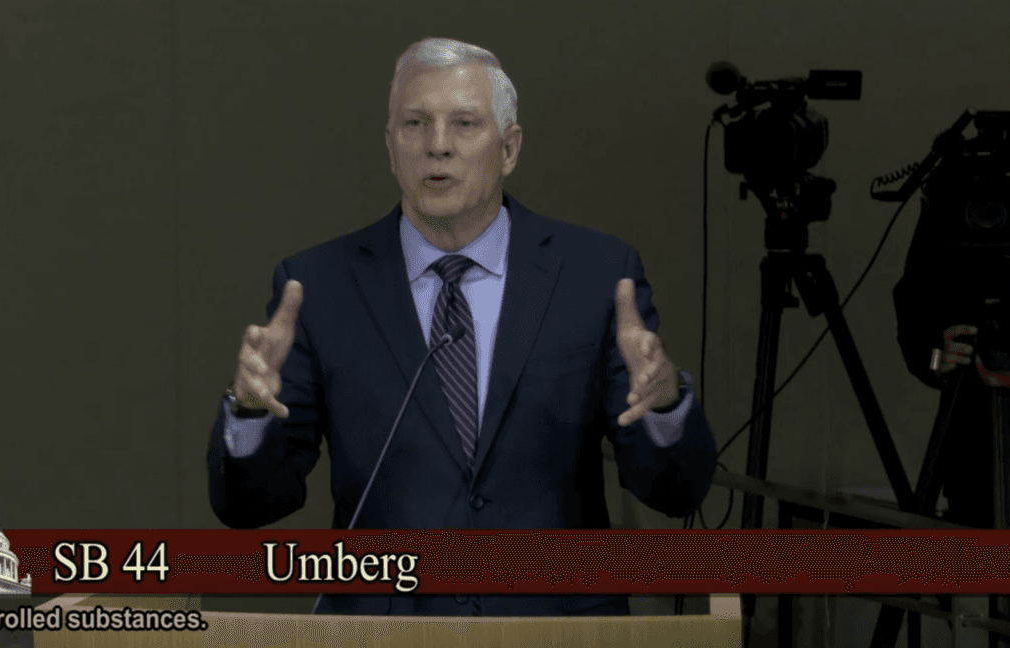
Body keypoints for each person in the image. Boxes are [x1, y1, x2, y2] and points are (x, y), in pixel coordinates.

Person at [206, 37, 717, 617]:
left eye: (465, 124)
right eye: (415, 124)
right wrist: (249, 416)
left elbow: (674, 493)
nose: (438, 145)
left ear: (509, 148)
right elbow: (250, 506)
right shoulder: (320, 285)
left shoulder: (596, 274)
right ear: (391, 147)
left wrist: (664, 408)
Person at [892, 11, 1010, 531]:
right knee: (985, 568)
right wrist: (935, 353)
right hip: (979, 438)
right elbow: (916, 296)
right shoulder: (970, 169)